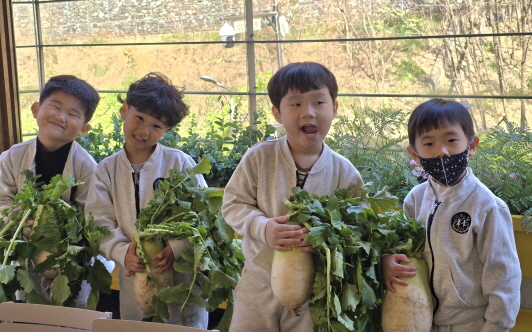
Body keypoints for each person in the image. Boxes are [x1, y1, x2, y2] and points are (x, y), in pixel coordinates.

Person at [222, 62, 364, 332]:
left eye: (319, 102)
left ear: (334, 108)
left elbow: (356, 229)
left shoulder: (345, 173)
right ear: (277, 113)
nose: (308, 112)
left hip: (314, 291)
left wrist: (328, 241)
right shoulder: (259, 158)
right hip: (258, 283)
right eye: (296, 104)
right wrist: (263, 228)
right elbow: (233, 204)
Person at [383, 98, 521, 332]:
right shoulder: (414, 200)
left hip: (471, 324)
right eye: (428, 144)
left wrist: (495, 327)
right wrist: (386, 261)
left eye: (451, 140)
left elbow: (503, 278)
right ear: (415, 155)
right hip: (419, 318)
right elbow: (399, 249)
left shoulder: (488, 207)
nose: (442, 152)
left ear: (472, 146)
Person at [84, 72, 208, 327]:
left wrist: (176, 247)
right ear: (124, 110)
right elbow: (98, 222)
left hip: (182, 280)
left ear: (168, 130)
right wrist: (121, 251)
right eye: (139, 118)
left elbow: (204, 215)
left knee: (183, 323)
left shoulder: (180, 163)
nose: (143, 131)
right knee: (137, 323)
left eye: (156, 126)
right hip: (134, 276)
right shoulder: (106, 170)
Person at [0, 74, 100, 307]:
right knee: (28, 311)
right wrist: (20, 221)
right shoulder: (12, 158)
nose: (61, 117)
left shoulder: (87, 167)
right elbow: (2, 200)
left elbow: (91, 214)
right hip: (24, 258)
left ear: (83, 128)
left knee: (73, 312)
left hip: (70, 262)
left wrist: (63, 234)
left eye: (73, 114)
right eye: (55, 106)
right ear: (36, 109)